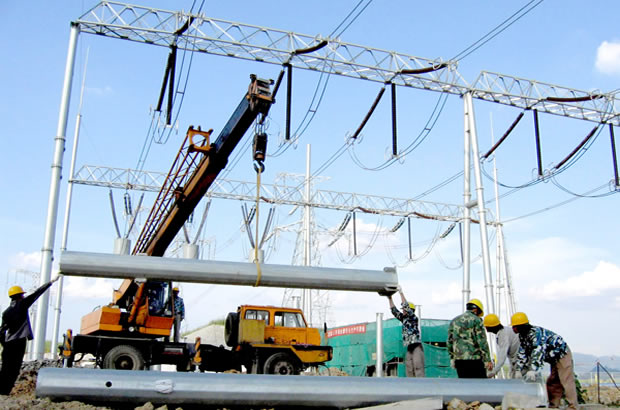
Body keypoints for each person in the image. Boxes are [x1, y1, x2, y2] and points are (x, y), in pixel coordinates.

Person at [0, 275, 59, 395]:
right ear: (20, 296)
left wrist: (4, 345)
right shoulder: (22, 305)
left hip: (8, 345)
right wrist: (51, 282)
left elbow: (1, 331)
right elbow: (36, 294)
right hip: (19, 342)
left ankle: (1, 390)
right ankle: (5, 391)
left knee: (5, 368)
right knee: (14, 369)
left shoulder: (6, 312)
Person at [511, 312, 578, 410]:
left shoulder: (536, 334)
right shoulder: (523, 336)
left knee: (566, 380)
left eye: (514, 327)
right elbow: (522, 352)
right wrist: (518, 369)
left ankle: (573, 406)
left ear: (521, 326)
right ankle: (553, 405)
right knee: (553, 381)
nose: (513, 329)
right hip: (553, 357)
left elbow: (538, 351)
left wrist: (533, 370)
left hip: (562, 354)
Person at [447, 298, 492, 378]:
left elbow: (449, 341)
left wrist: (452, 358)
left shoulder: (454, 321)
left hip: (459, 360)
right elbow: (482, 342)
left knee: (464, 384)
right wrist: (487, 360)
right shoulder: (477, 320)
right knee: (480, 384)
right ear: (476, 310)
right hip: (475, 360)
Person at [387, 287, 424, 377]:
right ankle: (410, 384)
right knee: (409, 368)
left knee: (418, 367)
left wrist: (401, 293)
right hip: (409, 347)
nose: (402, 310)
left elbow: (406, 306)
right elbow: (394, 311)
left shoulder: (413, 317)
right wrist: (390, 298)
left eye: (404, 309)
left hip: (416, 346)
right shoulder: (403, 319)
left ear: (410, 310)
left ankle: (421, 384)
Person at [483, 313, 521, 378]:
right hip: (516, 361)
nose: (485, 328)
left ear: (491, 327)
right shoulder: (504, 332)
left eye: (486, 326)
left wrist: (494, 371)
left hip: (519, 363)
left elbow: (502, 356)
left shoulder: (503, 335)